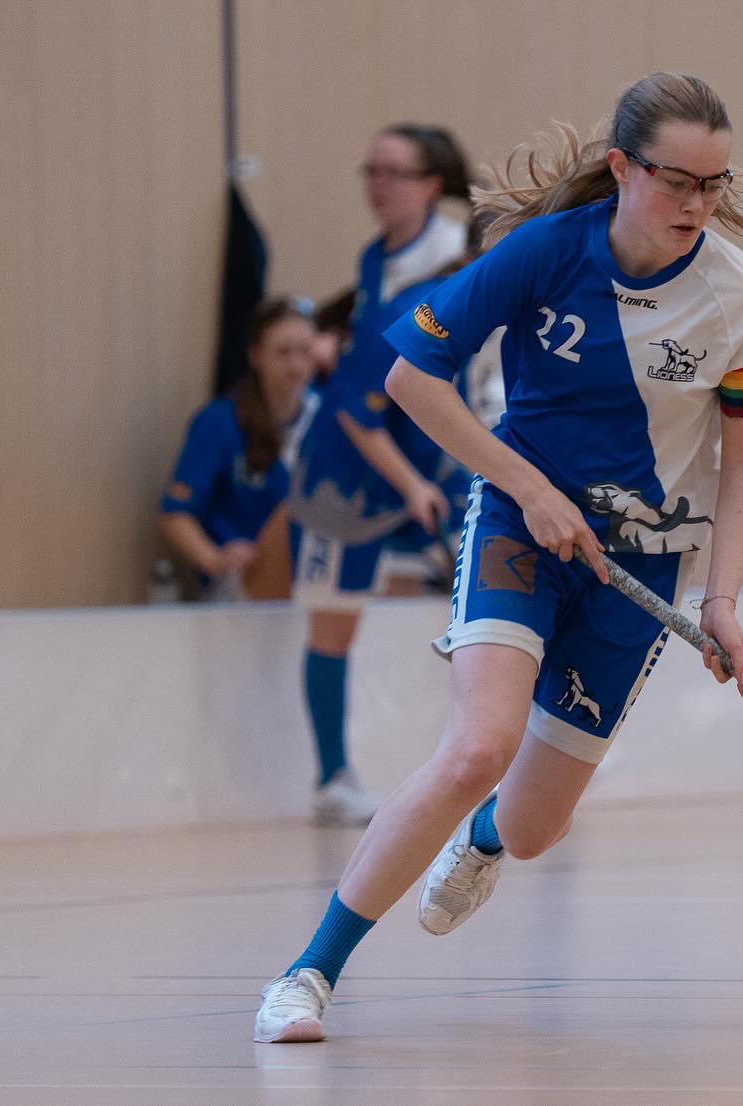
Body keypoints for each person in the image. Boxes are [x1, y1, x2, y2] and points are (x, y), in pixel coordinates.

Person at [253, 71, 743, 1045]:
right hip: (518, 523)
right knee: (477, 746)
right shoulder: (547, 254)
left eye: (713, 186)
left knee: (536, 824)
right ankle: (307, 972)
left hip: (644, 565)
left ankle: (487, 839)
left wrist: (724, 600)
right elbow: (413, 379)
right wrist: (531, 488)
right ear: (623, 168)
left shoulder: (739, 298)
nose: (697, 206)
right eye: (677, 182)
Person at [289, 125, 474, 827]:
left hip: (430, 465)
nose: (376, 183)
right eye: (370, 169)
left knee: (498, 607)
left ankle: (522, 751)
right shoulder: (381, 263)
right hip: (353, 479)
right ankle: (332, 776)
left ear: (431, 184)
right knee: (332, 624)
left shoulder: (454, 268)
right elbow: (363, 404)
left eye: (393, 172)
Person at [158, 296, 319, 601]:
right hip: (243, 587)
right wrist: (214, 558)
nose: (296, 366)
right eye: (283, 353)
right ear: (256, 355)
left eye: (305, 352)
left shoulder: (334, 419)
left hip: (313, 583)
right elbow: (175, 515)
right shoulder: (219, 422)